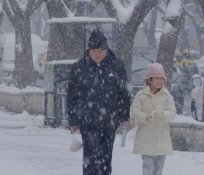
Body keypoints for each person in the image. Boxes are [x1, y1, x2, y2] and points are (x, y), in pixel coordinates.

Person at [67, 29, 131, 175]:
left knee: (106, 158)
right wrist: (73, 119)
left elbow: (123, 94)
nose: (97, 54)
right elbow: (72, 95)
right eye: (94, 50)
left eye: (100, 50)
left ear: (106, 50)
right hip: (87, 121)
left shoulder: (117, 66)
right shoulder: (79, 67)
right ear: (88, 50)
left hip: (109, 121)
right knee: (90, 158)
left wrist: (124, 117)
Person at [131, 62, 176, 175]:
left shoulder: (167, 96)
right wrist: (146, 117)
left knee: (158, 170)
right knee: (148, 166)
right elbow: (135, 111)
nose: (159, 81)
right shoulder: (141, 95)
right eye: (156, 78)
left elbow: (172, 112)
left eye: (161, 78)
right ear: (149, 80)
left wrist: (162, 115)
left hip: (162, 139)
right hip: (146, 138)